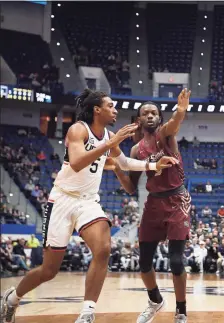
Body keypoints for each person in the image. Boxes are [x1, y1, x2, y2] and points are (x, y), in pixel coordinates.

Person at [1, 88, 177, 323]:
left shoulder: (108, 134)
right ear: (97, 110)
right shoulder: (78, 129)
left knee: (103, 249)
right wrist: (110, 144)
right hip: (62, 199)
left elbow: (122, 163)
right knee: (49, 270)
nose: (115, 110)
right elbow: (76, 163)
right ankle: (12, 298)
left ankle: (87, 312)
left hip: (88, 202)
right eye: (111, 106)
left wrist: (153, 166)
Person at [112, 89, 192, 323]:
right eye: (145, 113)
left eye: (154, 113)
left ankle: (181, 311)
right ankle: (155, 300)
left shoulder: (165, 134)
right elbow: (129, 187)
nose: (150, 116)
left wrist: (181, 110)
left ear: (159, 117)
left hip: (178, 200)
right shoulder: (136, 150)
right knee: (144, 262)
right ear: (138, 120)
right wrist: (117, 167)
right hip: (154, 203)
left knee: (176, 260)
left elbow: (175, 123)